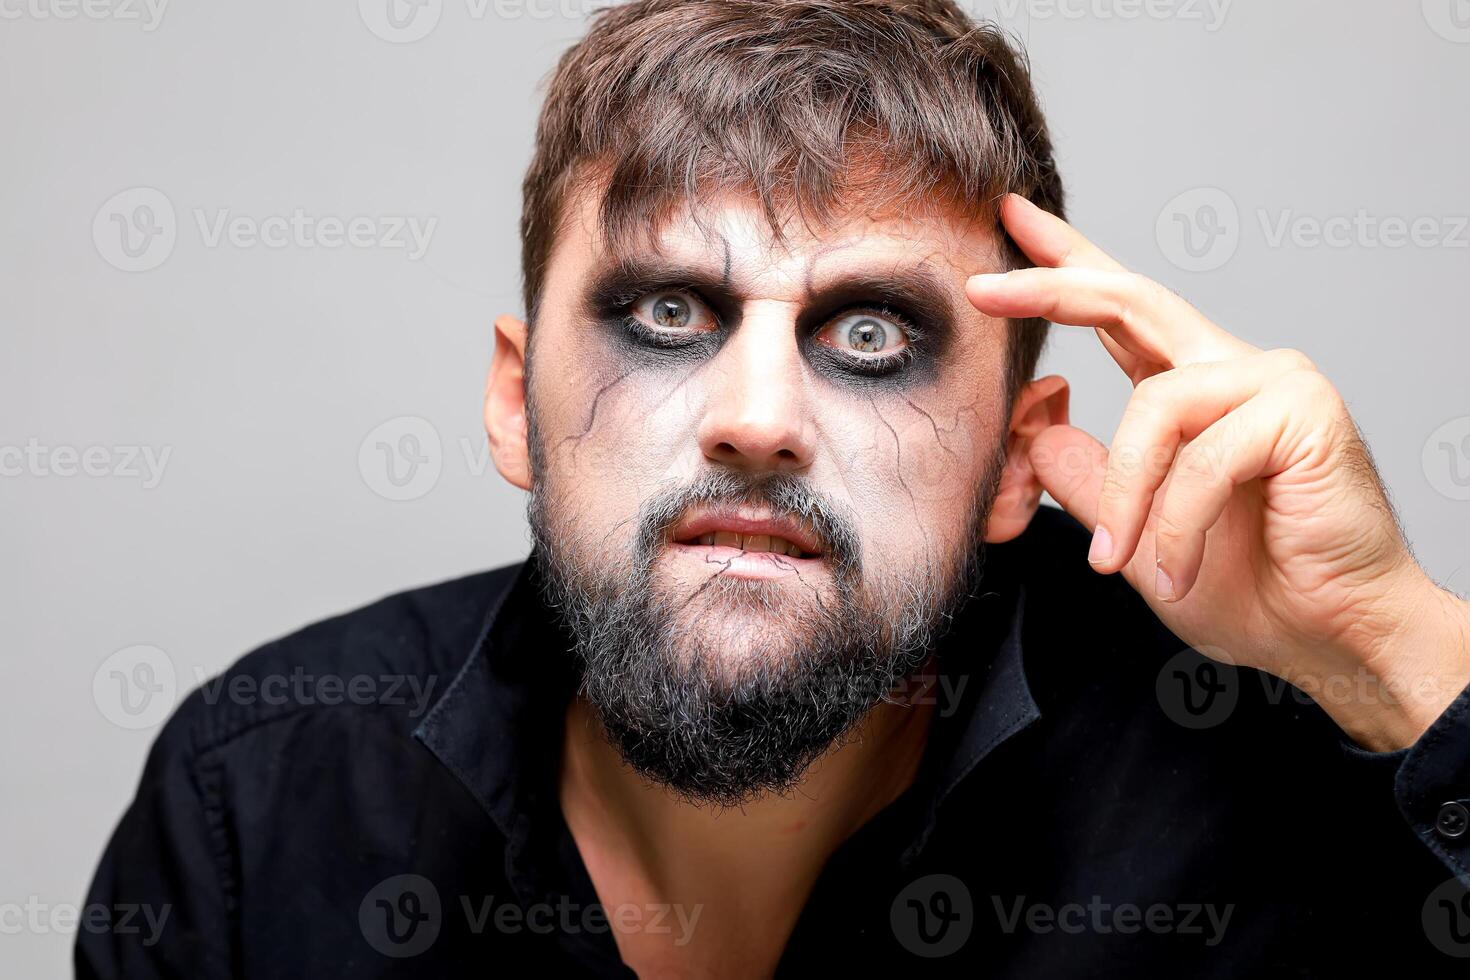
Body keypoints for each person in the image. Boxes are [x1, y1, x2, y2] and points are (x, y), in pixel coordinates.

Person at [78, 0, 1470, 975]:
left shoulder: (1245, 784)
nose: (755, 422)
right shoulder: (260, 806)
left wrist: (1393, 646)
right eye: (669, 316)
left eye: (870, 337)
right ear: (517, 401)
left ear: (1010, 459)